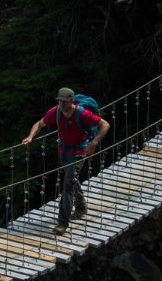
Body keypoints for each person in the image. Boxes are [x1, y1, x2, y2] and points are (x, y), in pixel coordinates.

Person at [23, 87, 109, 235]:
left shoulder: (82, 114)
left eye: (65, 101)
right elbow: (39, 124)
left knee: (68, 184)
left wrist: (93, 143)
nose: (62, 104)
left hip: (80, 151)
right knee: (72, 181)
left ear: (71, 101)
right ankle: (81, 207)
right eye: (60, 101)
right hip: (65, 151)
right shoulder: (56, 112)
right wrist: (31, 136)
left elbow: (104, 125)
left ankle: (62, 223)